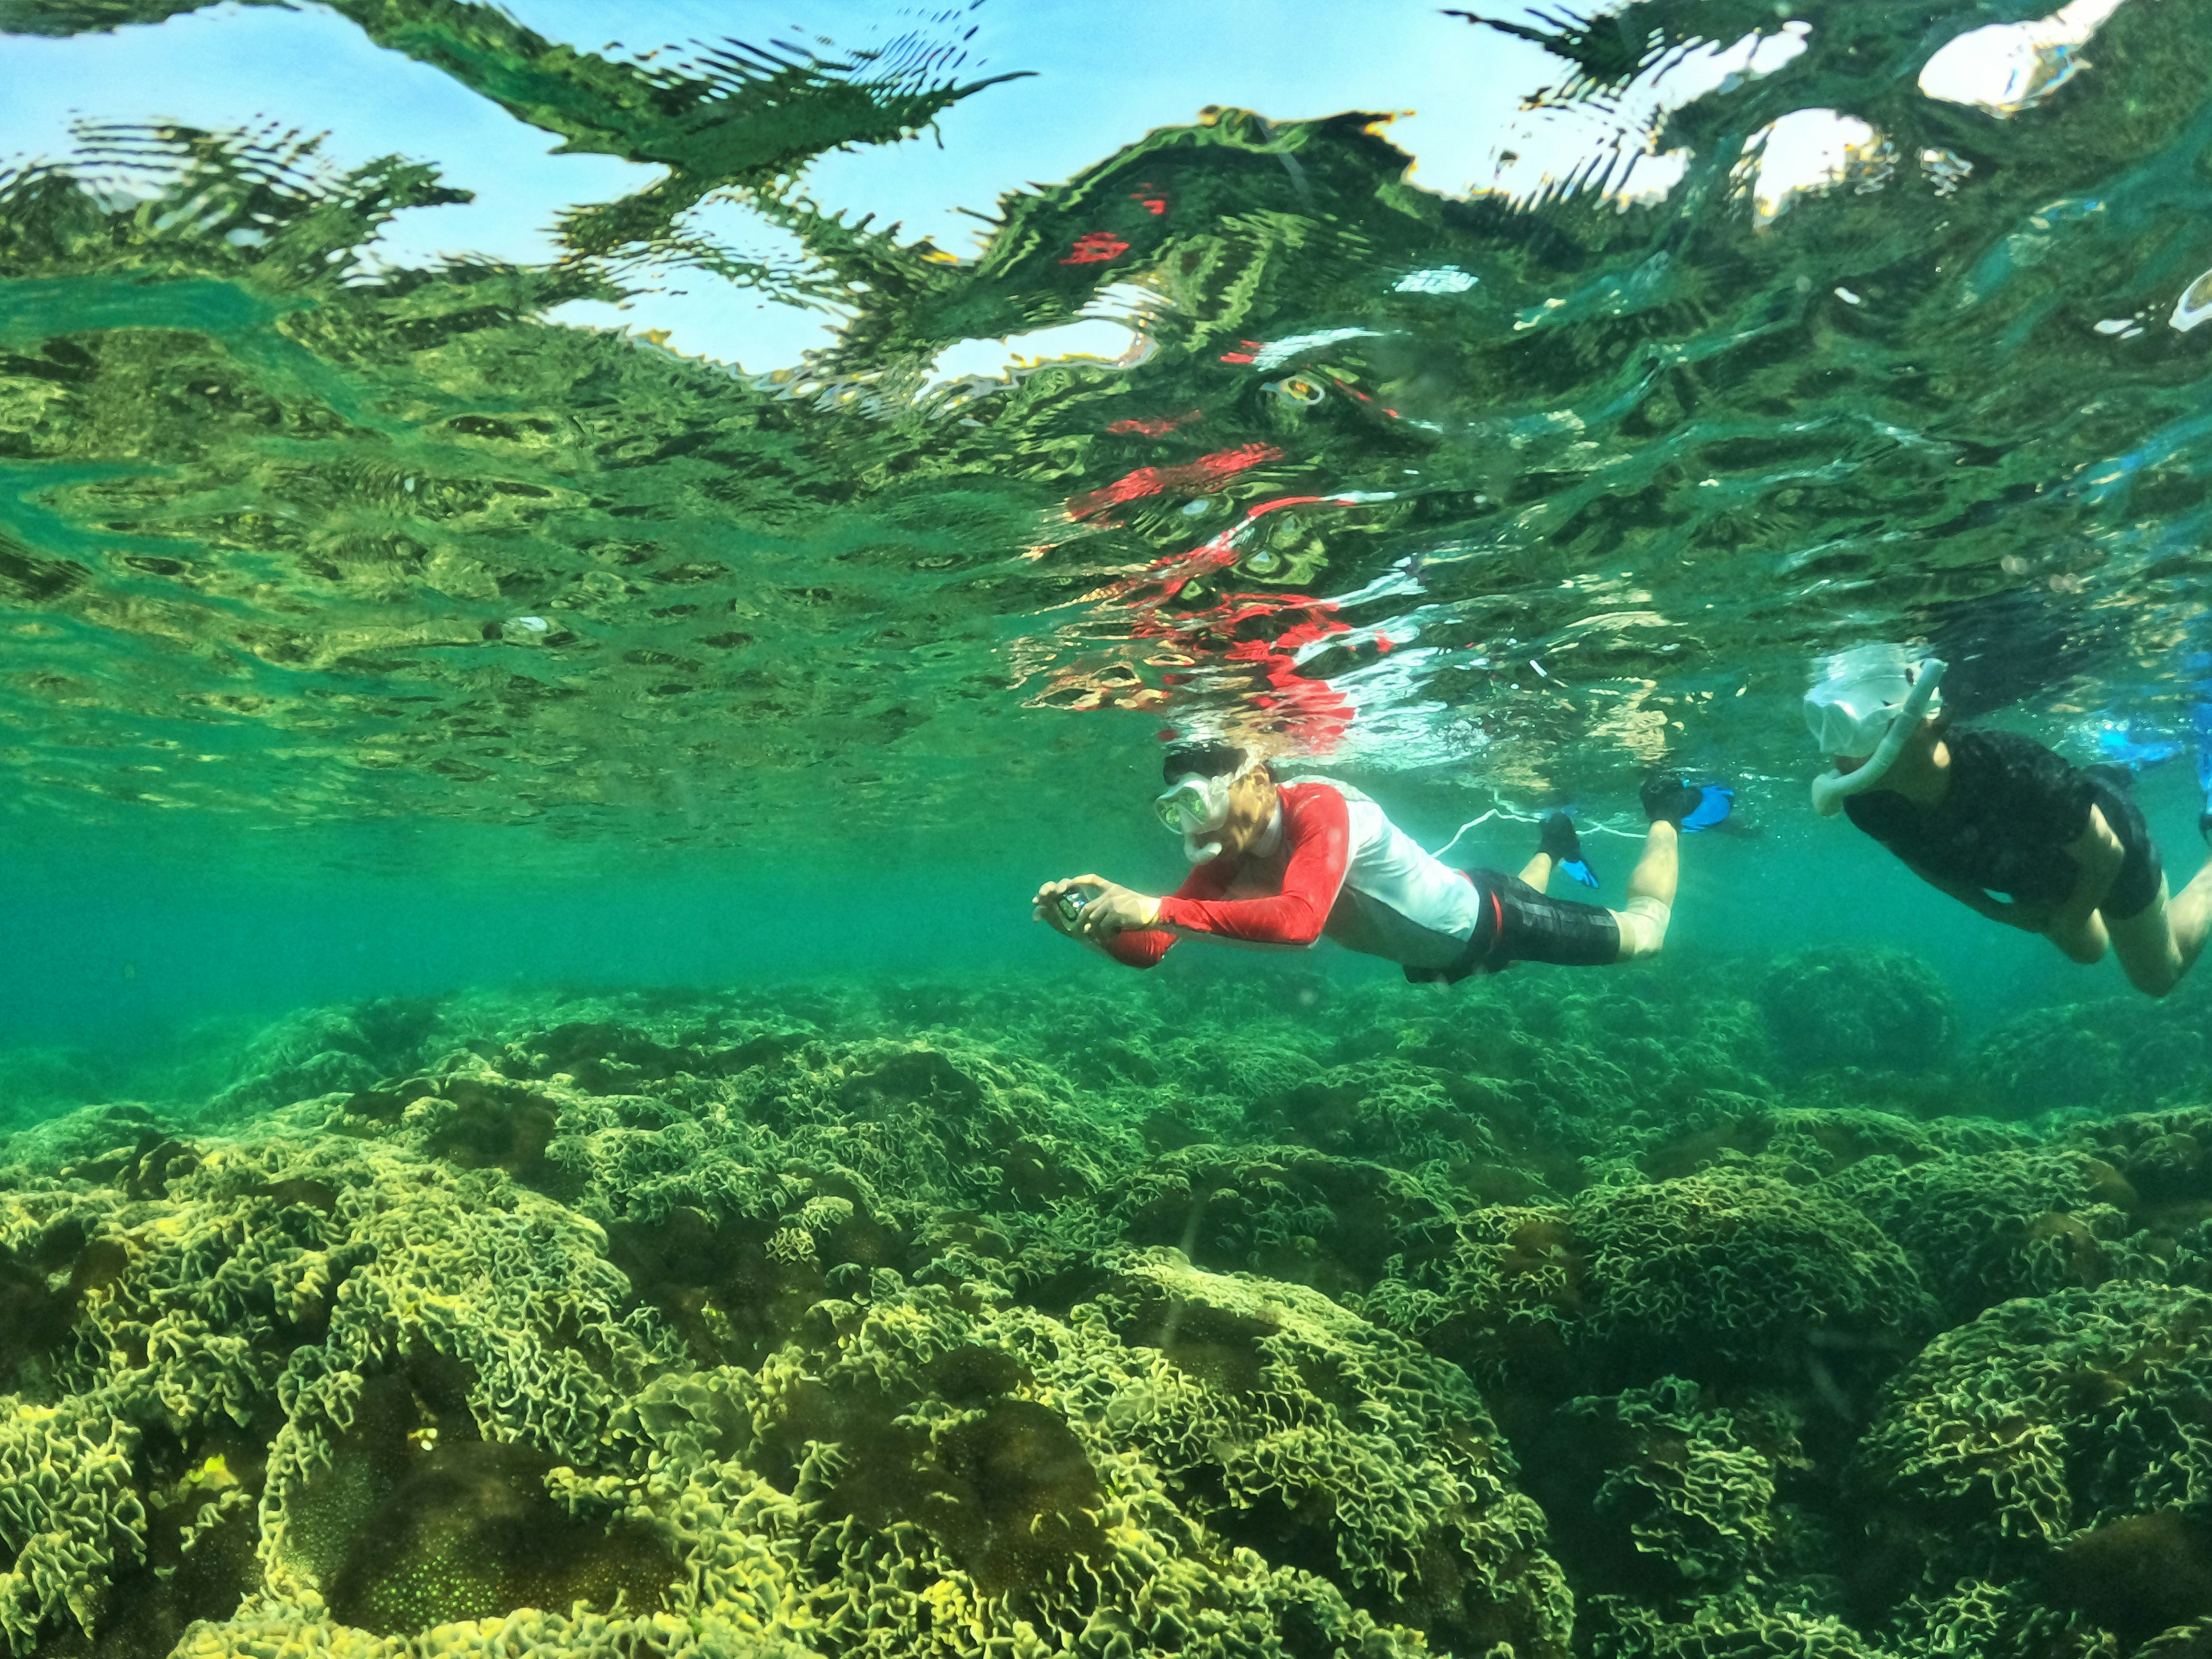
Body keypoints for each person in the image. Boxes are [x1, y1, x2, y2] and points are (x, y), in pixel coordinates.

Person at [1032, 740, 1730, 981]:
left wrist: (1154, 903)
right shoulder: (1230, 852)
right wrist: (1097, 931)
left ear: (1255, 779)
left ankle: (1662, 807)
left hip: (1494, 919)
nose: (1197, 823)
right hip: (1440, 943)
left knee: (1647, 932)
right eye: (1177, 809)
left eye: (1199, 799)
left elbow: (1301, 922)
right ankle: (1554, 842)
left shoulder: (1318, 810)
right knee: (1518, 886)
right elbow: (1155, 944)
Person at [1805, 643, 2212, 998]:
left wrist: (2070, 917)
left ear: (1922, 723)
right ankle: (2112, 771)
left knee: (2157, 980)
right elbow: (1919, 860)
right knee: (2087, 952)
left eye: (1856, 735)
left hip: (2107, 851)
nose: (1840, 759)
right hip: (2031, 873)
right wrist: (1995, 912)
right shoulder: (1866, 803)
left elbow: (2105, 854)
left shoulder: (2009, 766)